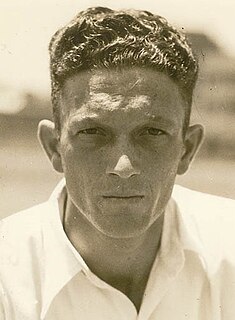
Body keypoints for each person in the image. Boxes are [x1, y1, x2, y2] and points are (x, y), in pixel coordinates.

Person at [1, 6, 235, 320]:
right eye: (92, 132)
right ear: (54, 147)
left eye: (152, 132)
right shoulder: (7, 278)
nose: (123, 166)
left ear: (187, 149)